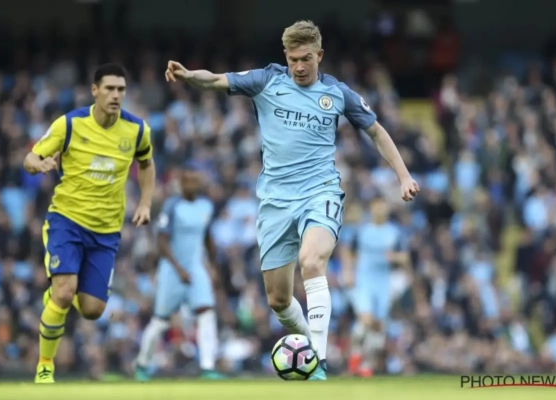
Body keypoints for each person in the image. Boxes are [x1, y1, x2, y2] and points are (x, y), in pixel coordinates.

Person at [164, 20, 419, 380]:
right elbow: (216, 80)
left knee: (312, 261)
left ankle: (319, 361)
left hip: (320, 192)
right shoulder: (266, 80)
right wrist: (190, 75)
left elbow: (376, 132)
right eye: (293, 59)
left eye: (306, 59)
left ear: (320, 55)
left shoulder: (337, 93)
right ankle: (310, 347)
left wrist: (403, 175)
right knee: (278, 300)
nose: (299, 66)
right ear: (285, 56)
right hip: (275, 201)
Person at [23, 63, 156, 383]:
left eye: (121, 89)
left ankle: (57, 295)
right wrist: (39, 164)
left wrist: (145, 202)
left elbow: (146, 164)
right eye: (109, 88)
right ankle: (45, 365)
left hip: (106, 231)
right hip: (66, 221)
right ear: (95, 91)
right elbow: (29, 158)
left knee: (93, 310)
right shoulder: (69, 124)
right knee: (64, 293)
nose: (116, 95)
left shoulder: (137, 130)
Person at [134, 163, 224, 381]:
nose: (192, 184)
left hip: (196, 269)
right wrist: (179, 269)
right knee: (161, 321)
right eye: (188, 180)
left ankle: (208, 366)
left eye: (195, 180)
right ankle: (142, 364)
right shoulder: (172, 206)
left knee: (206, 313)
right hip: (172, 271)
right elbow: (162, 242)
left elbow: (207, 238)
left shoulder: (205, 206)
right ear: (181, 183)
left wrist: (213, 266)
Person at [340, 196, 409, 377]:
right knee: (366, 320)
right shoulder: (362, 230)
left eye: (383, 207)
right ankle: (354, 360)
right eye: (377, 207)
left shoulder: (394, 232)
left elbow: (405, 257)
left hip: (383, 282)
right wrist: (348, 271)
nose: (380, 210)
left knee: (378, 326)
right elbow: (347, 250)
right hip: (364, 280)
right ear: (371, 208)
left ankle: (365, 365)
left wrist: (394, 257)